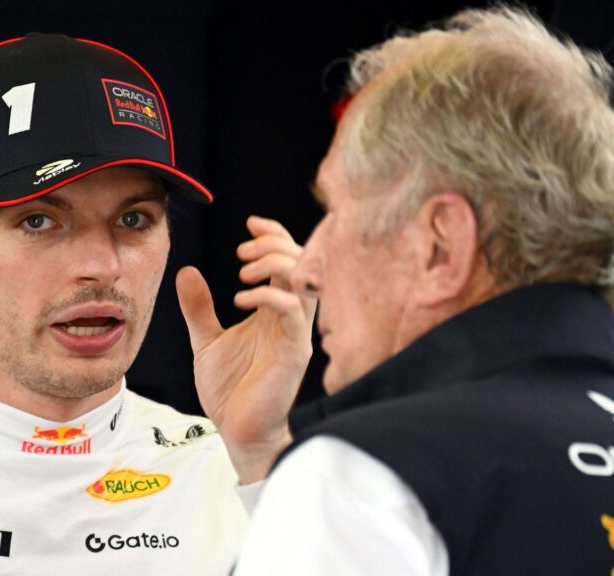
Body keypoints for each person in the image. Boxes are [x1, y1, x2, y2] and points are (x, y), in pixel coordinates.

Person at [0, 33, 314, 575]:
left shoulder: (238, 473)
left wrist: (261, 458)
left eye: (133, 219)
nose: (102, 265)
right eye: (39, 220)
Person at [235, 6, 614, 575]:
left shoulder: (365, 476)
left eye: (335, 211)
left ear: (439, 245)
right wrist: (260, 458)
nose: (308, 269)